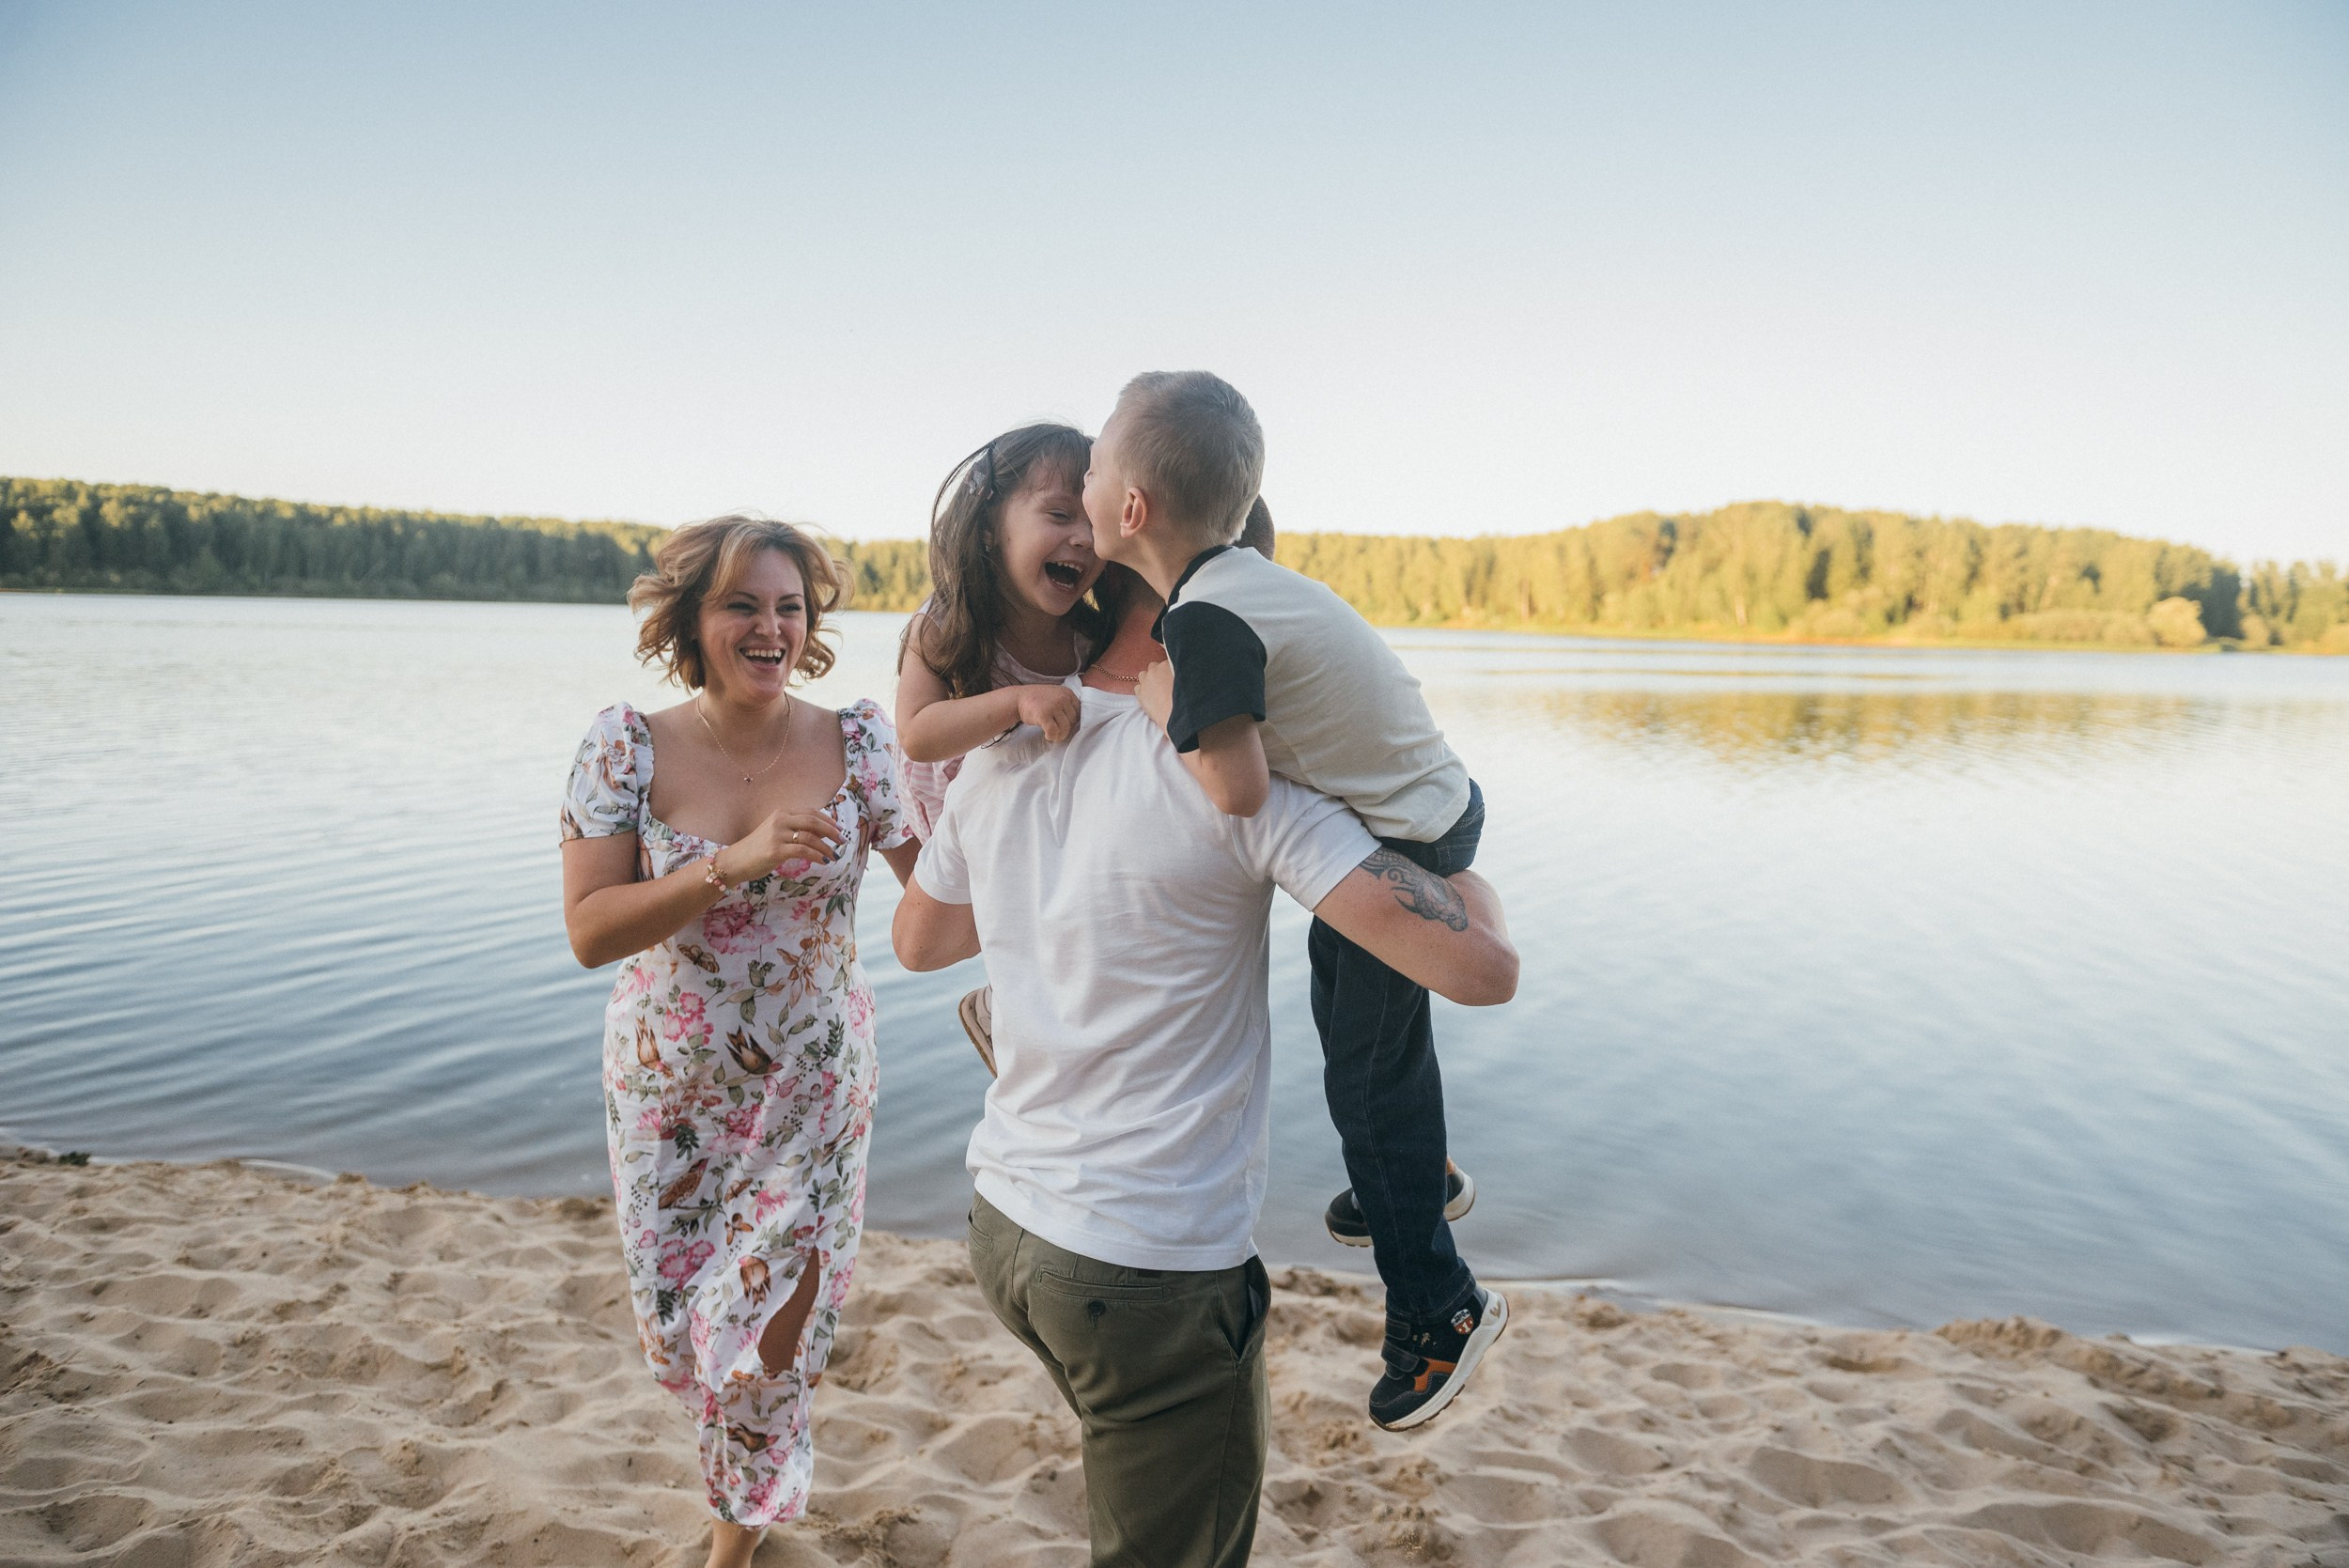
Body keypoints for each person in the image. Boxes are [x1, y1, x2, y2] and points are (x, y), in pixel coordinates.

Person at [892, 580, 1518, 1568]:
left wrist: (1051, 895)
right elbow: (1484, 972)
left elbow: (919, 941)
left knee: (1126, 1475)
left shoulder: (1000, 751)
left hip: (1007, 1231)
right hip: (1146, 1268)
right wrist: (1460, 865)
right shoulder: (1243, 789)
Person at [1088, 370, 1495, 1431]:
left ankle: (1438, 1314)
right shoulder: (1247, 583)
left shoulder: (1206, 619)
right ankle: (1417, 1170)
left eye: (1091, 466)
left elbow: (1238, 788)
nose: (1083, 481)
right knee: (1356, 1035)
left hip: (1410, 838)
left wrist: (1160, 693)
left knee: (1364, 1070)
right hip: (1432, 808)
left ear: (1129, 509)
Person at [559, 515, 920, 1568]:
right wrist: (736, 861)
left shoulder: (856, 741)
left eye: (789, 606)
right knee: (680, 1331)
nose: (771, 627)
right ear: (691, 619)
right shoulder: (626, 743)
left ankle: (732, 1546)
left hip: (814, 1086)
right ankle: (739, 1483)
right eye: (742, 604)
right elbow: (590, 932)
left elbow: (936, 900)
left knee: (771, 1334)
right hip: (670, 1093)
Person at [894, 422, 1115, 1066]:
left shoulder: (1087, 636)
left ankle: (1003, 1009)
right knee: (1013, 915)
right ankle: (1001, 1005)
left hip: (1044, 805)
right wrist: (1016, 702)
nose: (1081, 537)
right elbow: (919, 731)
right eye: (1058, 513)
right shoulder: (947, 622)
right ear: (990, 524)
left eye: (1094, 523)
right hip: (958, 813)